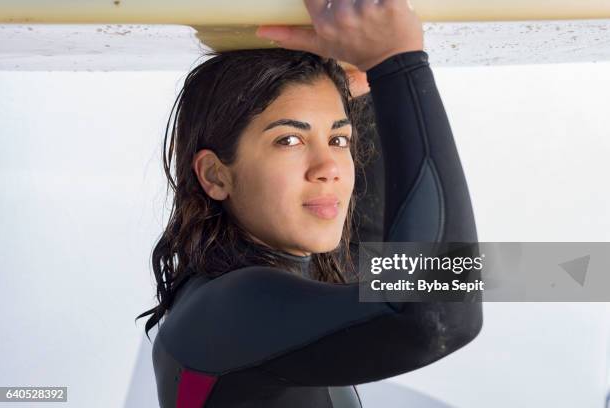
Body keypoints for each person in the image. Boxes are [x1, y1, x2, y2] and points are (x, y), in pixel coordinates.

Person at [137, 0, 483, 406]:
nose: (329, 168)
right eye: (289, 140)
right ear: (216, 174)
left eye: (339, 140)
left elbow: (391, 260)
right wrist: (397, 65)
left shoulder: (262, 293)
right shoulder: (232, 308)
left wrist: (365, 84)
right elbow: (435, 311)